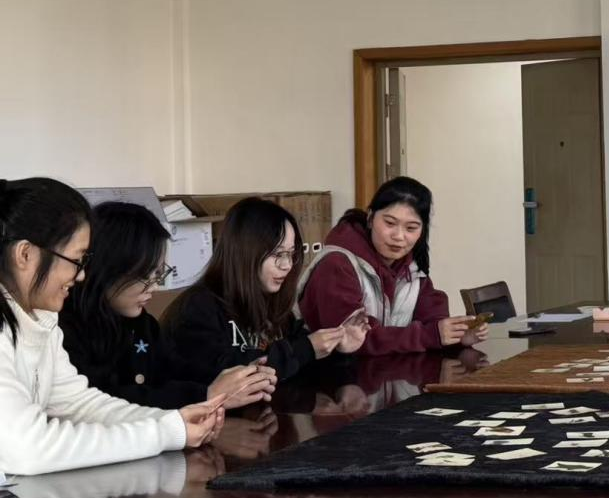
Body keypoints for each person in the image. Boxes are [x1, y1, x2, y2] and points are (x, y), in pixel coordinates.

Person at [0, 178, 223, 477]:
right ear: (25, 254)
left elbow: (79, 404)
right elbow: (29, 449)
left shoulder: (43, 319)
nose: (81, 275)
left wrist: (171, 421)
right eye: (76, 260)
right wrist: (164, 433)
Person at [60, 201, 277, 410]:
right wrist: (207, 395)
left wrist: (241, 376)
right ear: (108, 269)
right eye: (146, 275)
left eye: (158, 274)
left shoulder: (143, 324)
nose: (154, 287)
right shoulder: (64, 331)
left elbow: (176, 369)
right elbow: (106, 401)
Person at [163, 198, 367, 386]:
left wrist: (340, 349)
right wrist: (306, 349)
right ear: (245, 253)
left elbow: (298, 361)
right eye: (278, 254)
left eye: (291, 254)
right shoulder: (198, 308)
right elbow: (229, 375)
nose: (287, 265)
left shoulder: (271, 302)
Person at [297, 177, 487, 353]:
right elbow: (350, 340)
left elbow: (433, 321)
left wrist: (457, 337)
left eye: (411, 228)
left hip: (388, 374)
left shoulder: (411, 268)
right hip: (329, 375)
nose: (398, 236)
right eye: (389, 223)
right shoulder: (337, 264)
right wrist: (430, 336)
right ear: (370, 218)